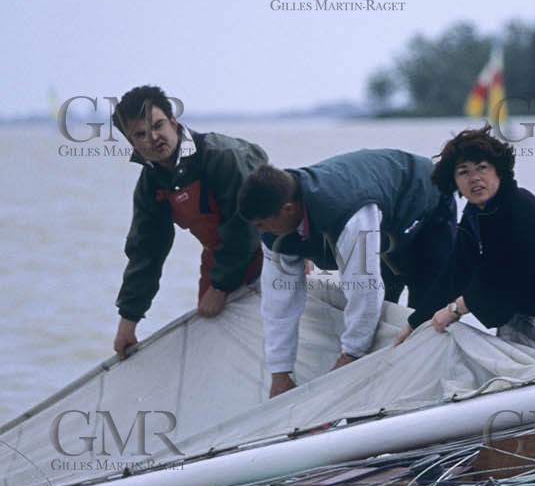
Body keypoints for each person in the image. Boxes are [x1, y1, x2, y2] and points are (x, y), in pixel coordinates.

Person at [238, 150, 454, 396]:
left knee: (425, 312)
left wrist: (349, 356)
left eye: (261, 224)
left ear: (288, 209)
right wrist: (280, 373)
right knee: (382, 313)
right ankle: (377, 396)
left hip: (424, 197)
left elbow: (365, 290)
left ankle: (429, 395)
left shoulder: (348, 215)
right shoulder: (274, 232)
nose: (261, 232)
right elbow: (279, 305)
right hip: (383, 223)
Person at [396, 127, 535, 357]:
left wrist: (454, 309)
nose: (474, 178)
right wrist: (413, 323)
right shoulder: (475, 215)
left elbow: (505, 280)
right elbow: (456, 273)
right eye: (464, 172)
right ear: (454, 182)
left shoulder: (520, 208)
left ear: (498, 172)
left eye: (482, 168)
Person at [110, 85, 267, 360]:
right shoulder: (150, 184)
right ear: (132, 143)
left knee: (274, 338)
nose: (154, 138)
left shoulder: (224, 156)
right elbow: (146, 252)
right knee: (213, 345)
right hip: (219, 259)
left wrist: (220, 287)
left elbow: (246, 225)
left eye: (158, 125)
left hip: (272, 251)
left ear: (173, 122)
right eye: (141, 134)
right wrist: (128, 319)